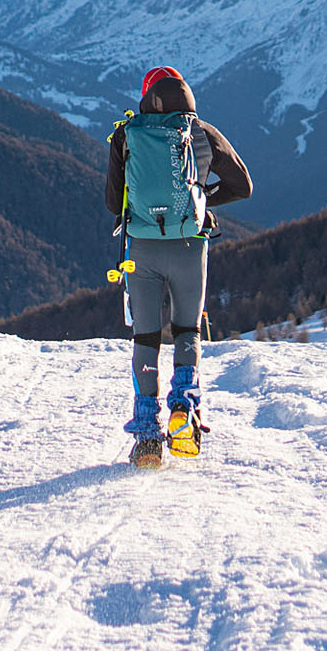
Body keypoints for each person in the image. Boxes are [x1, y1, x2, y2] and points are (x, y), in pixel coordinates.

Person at [105, 66, 252, 466]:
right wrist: (199, 198)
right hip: (190, 245)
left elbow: (113, 201)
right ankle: (183, 410)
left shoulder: (126, 135)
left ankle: (147, 436)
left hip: (142, 250)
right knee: (188, 331)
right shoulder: (201, 132)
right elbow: (242, 186)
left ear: (146, 95)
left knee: (146, 338)